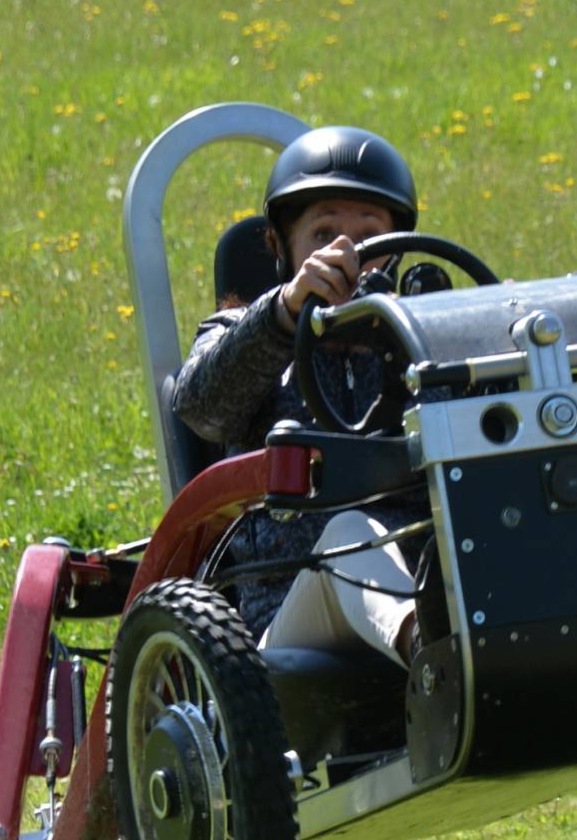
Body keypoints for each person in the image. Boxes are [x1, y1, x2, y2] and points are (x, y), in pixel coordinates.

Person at [171, 125, 425, 667]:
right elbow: (200, 407)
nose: (347, 255)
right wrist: (286, 314)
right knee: (350, 534)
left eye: (368, 235)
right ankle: (431, 653)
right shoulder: (244, 332)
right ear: (281, 248)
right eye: (323, 234)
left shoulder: (422, 340)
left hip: (430, 576)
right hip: (287, 626)